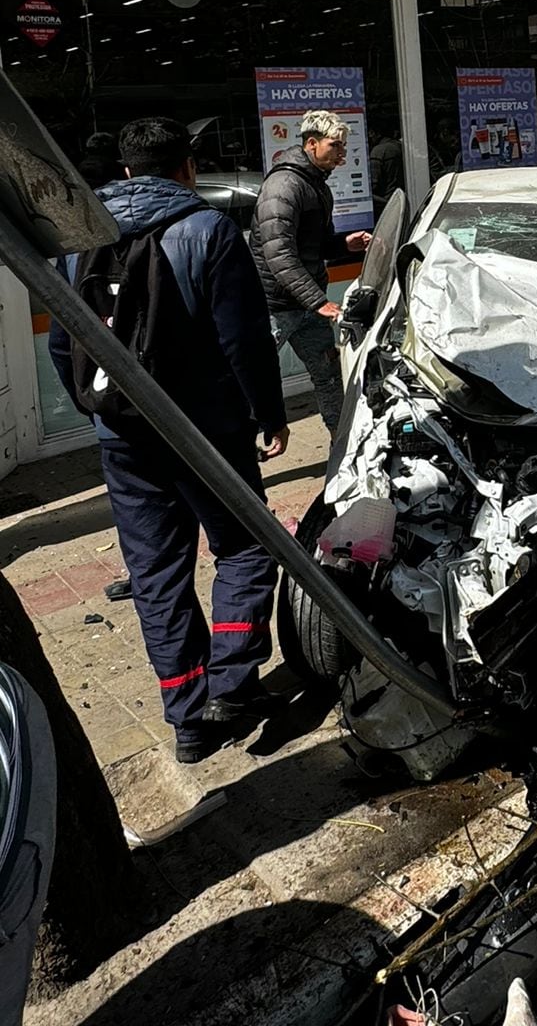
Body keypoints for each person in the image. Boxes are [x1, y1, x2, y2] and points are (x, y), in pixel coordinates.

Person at [49, 118, 289, 764]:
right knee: (244, 548)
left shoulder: (79, 242)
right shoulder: (208, 231)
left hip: (121, 438)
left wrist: (99, 412)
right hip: (206, 432)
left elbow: (60, 343)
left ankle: (187, 716)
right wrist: (269, 415)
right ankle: (232, 687)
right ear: (186, 167)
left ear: (126, 171)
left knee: (156, 572)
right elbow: (244, 341)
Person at [251, 110, 372, 437]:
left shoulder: (316, 184)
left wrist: (345, 245)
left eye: (344, 146)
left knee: (330, 376)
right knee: (250, 380)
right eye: (335, 145)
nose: (342, 154)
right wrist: (319, 301)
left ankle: (344, 444)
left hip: (306, 303)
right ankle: (232, 460)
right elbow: (278, 253)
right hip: (276, 306)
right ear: (311, 143)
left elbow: (313, 245)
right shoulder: (283, 186)